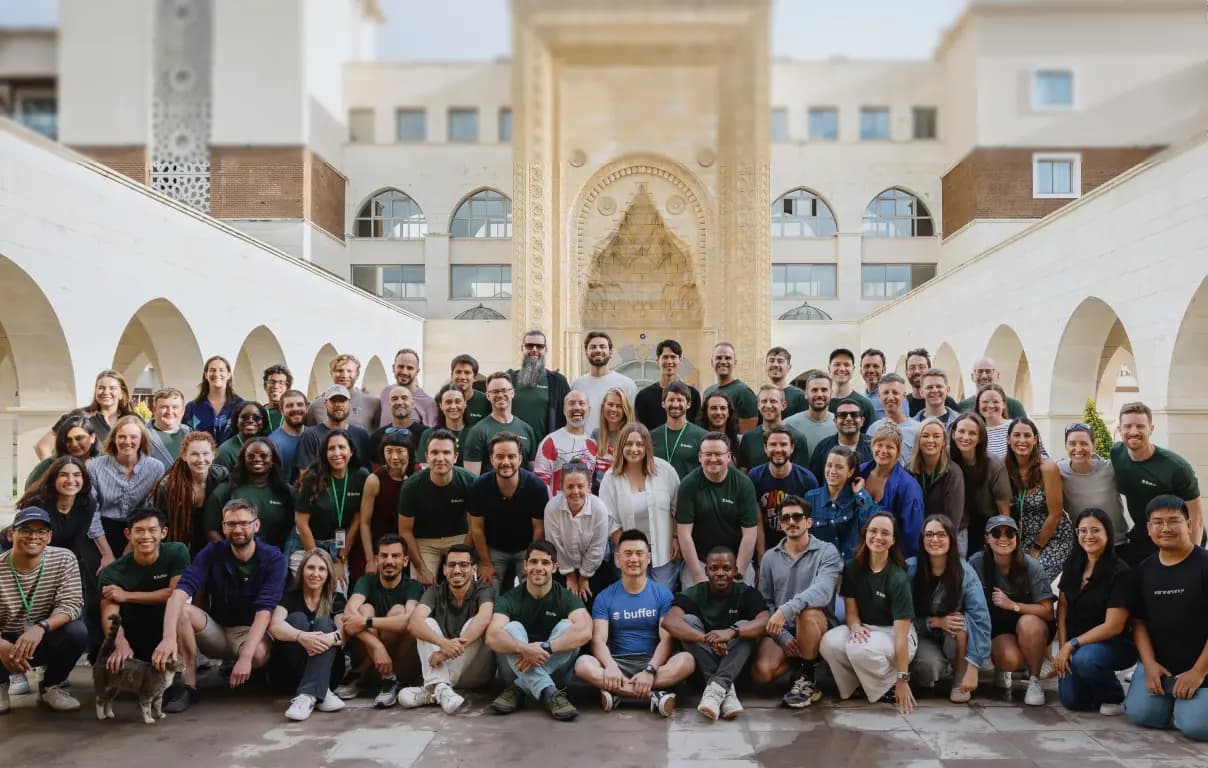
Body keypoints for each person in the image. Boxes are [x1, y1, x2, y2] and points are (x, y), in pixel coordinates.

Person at [154, 499, 287, 697]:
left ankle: (254, 669)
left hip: (249, 631)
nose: (237, 529)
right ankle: (188, 685)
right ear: (223, 527)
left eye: (244, 523)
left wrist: (246, 657)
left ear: (256, 525)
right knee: (182, 609)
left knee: (257, 655)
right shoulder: (212, 552)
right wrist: (168, 638)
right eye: (231, 524)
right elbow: (179, 593)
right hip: (217, 629)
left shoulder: (273, 558)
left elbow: (265, 610)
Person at [574, 530, 694, 716]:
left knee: (686, 661)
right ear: (617, 558)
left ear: (648, 558)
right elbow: (598, 640)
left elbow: (667, 640)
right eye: (628, 554)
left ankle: (618, 693)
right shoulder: (605, 597)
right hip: (617, 663)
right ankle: (653, 696)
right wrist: (611, 667)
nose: (633, 559)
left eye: (639, 554)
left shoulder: (663, 595)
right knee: (583, 664)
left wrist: (650, 669)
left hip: (652, 663)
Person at [1124, 495, 1208, 741]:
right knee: (1143, 716)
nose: (1166, 528)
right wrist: (1149, 664)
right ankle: (1174, 701)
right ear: (1149, 528)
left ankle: (1189, 707)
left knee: (1197, 727)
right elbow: (1138, 622)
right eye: (1158, 522)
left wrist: (1198, 672)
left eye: (1174, 521)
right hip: (1162, 667)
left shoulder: (1204, 565)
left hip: (1202, 666)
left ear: (1189, 524)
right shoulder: (1144, 570)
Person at [98, 507, 195, 713]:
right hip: (134, 630)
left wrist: (127, 595)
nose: (146, 536)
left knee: (183, 612)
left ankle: (186, 685)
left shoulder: (177, 552)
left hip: (165, 627)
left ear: (163, 533)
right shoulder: (113, 571)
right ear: (128, 534)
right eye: (139, 530)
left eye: (152, 530)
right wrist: (120, 643)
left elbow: (176, 594)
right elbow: (109, 609)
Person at [13, 457, 111, 658]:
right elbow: (31, 541)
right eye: (64, 475)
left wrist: (63, 572)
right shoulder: (38, 503)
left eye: (77, 475)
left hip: (61, 558)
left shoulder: (87, 503)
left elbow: (78, 542)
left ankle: (53, 663)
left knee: (67, 610)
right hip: (27, 554)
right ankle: (16, 666)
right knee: (23, 610)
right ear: (53, 479)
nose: (71, 480)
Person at [820, 512, 918, 714]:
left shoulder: (898, 577)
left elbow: (900, 635)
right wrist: (855, 626)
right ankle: (857, 688)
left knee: (859, 649)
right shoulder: (852, 568)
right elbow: (851, 613)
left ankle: (889, 688)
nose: (878, 537)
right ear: (865, 534)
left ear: (893, 540)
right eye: (873, 531)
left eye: (885, 533)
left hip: (897, 633)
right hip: (866, 629)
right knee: (829, 642)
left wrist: (902, 678)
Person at [486, 540, 592, 721]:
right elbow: (492, 636)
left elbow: (585, 630)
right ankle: (550, 692)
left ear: (555, 567)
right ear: (525, 566)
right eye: (533, 562)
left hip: (557, 670)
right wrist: (523, 649)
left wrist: (545, 647)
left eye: (545, 562)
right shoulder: (510, 598)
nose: (539, 567)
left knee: (568, 626)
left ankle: (518, 688)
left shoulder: (565, 596)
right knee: (511, 628)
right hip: (513, 669)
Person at [752, 495, 842, 708]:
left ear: (808, 522)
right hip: (784, 631)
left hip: (817, 625)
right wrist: (782, 637)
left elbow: (823, 592)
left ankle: (808, 678)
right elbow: (765, 602)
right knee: (762, 673)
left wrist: (786, 610)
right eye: (785, 519)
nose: (791, 522)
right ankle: (799, 666)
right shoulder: (770, 558)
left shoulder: (826, 551)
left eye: (797, 517)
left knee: (806, 612)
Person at [662, 546, 769, 720]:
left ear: (735, 570)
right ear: (706, 571)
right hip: (701, 671)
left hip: (738, 668)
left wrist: (731, 633)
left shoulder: (746, 593)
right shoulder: (694, 593)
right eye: (714, 568)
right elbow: (670, 622)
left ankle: (717, 688)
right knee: (688, 622)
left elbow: (765, 622)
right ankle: (725, 689)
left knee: (745, 626)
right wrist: (707, 639)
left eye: (726, 568)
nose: (720, 573)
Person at [0, 508, 87, 713]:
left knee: (77, 632)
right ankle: (0, 685)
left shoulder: (64, 559)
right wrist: (1, 645)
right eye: (26, 530)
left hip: (43, 635)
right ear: (11, 534)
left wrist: (40, 628)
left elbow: (72, 603)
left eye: (41, 532)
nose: (33, 536)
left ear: (49, 537)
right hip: (6, 639)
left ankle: (50, 687)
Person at [1053, 508, 1135, 715]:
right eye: (1083, 530)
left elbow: (1113, 626)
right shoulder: (1073, 564)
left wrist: (1072, 645)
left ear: (1107, 534)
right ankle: (1092, 683)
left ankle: (1113, 695)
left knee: (1086, 660)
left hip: (1113, 644)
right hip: (1075, 645)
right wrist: (1063, 645)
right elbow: (1062, 607)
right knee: (1073, 701)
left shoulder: (1121, 572)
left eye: (1095, 530)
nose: (1088, 536)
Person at [970, 515, 1055, 706]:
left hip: (1029, 624)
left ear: (1017, 538)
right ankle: (1003, 667)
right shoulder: (976, 562)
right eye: (996, 533)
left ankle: (1034, 680)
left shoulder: (1031, 566)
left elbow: (1048, 611)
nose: (1003, 538)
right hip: (998, 627)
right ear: (987, 538)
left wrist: (1013, 605)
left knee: (1029, 623)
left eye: (1010, 533)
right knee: (1009, 660)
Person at [398, 544, 495, 713]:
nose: (456, 570)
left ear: (474, 569)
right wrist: (442, 643)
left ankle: (433, 687)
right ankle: (441, 689)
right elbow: (414, 623)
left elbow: (484, 617)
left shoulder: (483, 589)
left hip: (474, 672)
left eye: (463, 565)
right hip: (443, 665)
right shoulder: (435, 591)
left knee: (474, 623)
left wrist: (444, 653)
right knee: (426, 624)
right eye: (451, 565)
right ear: (443, 569)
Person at [908, 515, 991, 703]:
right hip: (922, 633)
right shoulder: (911, 569)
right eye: (929, 535)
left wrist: (974, 666)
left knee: (959, 622)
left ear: (951, 539)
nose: (934, 540)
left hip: (955, 638)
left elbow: (980, 617)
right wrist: (934, 622)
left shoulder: (964, 571)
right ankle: (938, 667)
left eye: (940, 535)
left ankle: (960, 675)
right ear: (922, 540)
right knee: (927, 670)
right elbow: (899, 615)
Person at [1111, 401, 1203, 565]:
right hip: (1144, 533)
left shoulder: (1176, 468)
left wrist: (1192, 560)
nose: (1133, 431)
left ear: (1151, 429)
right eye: (1128, 426)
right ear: (1119, 429)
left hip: (1177, 535)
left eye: (1140, 426)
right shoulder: (1117, 453)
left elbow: (1196, 519)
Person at [339, 534, 423, 706]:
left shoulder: (413, 586)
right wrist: (377, 647)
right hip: (375, 660)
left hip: (399, 664)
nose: (389, 561)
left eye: (395, 556)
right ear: (376, 560)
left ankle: (374, 677)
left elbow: (409, 621)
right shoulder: (366, 581)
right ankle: (387, 679)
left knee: (398, 611)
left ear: (405, 561)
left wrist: (367, 622)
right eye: (384, 556)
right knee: (364, 609)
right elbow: (349, 613)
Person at [599, 423, 681, 590]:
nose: (634, 449)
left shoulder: (665, 470)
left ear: (647, 447)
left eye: (639, 444)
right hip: (629, 554)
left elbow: (677, 508)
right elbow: (609, 519)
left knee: (662, 597)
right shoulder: (611, 477)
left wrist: (675, 537)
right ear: (621, 446)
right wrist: (629, 550)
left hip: (663, 551)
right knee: (634, 595)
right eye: (628, 444)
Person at [269, 548, 347, 721]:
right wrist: (301, 637)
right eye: (310, 568)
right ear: (302, 570)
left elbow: (344, 633)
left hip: (331, 672)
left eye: (322, 569)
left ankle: (307, 695)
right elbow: (275, 625)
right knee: (296, 619)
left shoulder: (337, 598)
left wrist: (328, 638)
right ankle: (320, 692)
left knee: (325, 624)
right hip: (290, 673)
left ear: (328, 574)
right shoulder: (289, 597)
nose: (315, 574)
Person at [467, 433, 549, 594]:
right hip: (493, 549)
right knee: (486, 592)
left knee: (533, 590)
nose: (506, 462)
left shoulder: (536, 487)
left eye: (511, 456)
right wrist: (484, 562)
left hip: (526, 548)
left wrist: (530, 559)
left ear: (520, 458)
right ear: (491, 460)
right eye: (499, 456)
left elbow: (539, 529)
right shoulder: (480, 487)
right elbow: (476, 528)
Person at [676, 433, 759, 585]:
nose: (713, 459)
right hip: (700, 561)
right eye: (708, 454)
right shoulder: (688, 485)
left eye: (718, 454)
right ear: (700, 457)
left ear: (729, 457)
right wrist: (698, 575)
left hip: (736, 560)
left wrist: (738, 574)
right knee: (693, 603)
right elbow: (684, 534)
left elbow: (750, 533)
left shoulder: (743, 484)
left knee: (742, 603)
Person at [398, 429, 475, 586]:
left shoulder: (469, 481)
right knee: (420, 587)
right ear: (427, 457)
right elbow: (405, 531)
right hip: (424, 541)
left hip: (459, 537)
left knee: (466, 583)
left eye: (446, 452)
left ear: (455, 457)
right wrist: (421, 568)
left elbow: (475, 526)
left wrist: (462, 555)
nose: (440, 458)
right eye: (434, 452)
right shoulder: (411, 486)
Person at [294, 430, 370, 579]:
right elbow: (301, 523)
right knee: (313, 582)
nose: (337, 453)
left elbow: (357, 520)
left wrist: (341, 559)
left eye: (342, 447)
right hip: (308, 543)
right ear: (325, 453)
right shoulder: (313, 477)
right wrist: (317, 561)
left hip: (340, 545)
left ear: (352, 451)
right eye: (331, 448)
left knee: (338, 591)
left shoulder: (361, 476)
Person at [1006, 417, 1074, 580]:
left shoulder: (1047, 468)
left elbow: (1055, 514)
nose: (1022, 440)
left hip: (1051, 536)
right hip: (1020, 539)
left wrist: (1036, 548)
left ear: (1035, 440)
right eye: (1017, 435)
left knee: (1035, 577)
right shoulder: (1004, 467)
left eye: (1027, 435)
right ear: (1009, 440)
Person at [88, 414, 166, 556]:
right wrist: (107, 554)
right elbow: (92, 512)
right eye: (122, 436)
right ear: (114, 438)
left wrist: (129, 551)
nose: (127, 441)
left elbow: (151, 509)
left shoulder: (156, 468)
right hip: (102, 533)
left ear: (142, 440)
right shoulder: (95, 466)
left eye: (133, 437)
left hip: (140, 532)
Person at [203, 438, 296, 550]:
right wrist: (228, 556)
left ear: (273, 460)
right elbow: (210, 530)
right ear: (243, 460)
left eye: (263, 455)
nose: (257, 459)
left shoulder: (287, 492)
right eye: (251, 456)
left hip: (276, 560)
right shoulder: (225, 490)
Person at [748, 426, 818, 561]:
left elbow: (809, 523)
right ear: (765, 448)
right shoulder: (754, 477)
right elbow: (757, 521)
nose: (778, 449)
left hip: (798, 550)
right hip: (767, 547)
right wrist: (761, 558)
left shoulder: (807, 480)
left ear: (792, 448)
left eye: (783, 444)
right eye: (773, 444)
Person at [544, 462, 611, 602]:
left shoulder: (599, 509)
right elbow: (554, 545)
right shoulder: (552, 508)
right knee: (563, 602)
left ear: (589, 487)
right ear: (562, 487)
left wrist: (584, 576)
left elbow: (597, 548)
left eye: (580, 486)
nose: (575, 492)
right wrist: (569, 575)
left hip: (595, 567)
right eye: (570, 486)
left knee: (590, 600)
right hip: (562, 566)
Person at [152, 431, 229, 554]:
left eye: (205, 454)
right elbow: (160, 523)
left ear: (214, 454)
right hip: (179, 543)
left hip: (211, 541)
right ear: (184, 456)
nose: (201, 459)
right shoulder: (168, 486)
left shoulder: (221, 476)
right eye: (194, 454)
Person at [353, 431, 413, 582]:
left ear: (410, 452)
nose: (394, 457)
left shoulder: (416, 476)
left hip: (407, 545)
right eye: (389, 451)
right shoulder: (374, 480)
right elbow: (365, 523)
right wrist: (370, 559)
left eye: (400, 452)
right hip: (376, 545)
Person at [950, 412, 1012, 557]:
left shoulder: (994, 464)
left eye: (972, 433)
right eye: (961, 431)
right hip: (955, 523)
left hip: (986, 524)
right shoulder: (946, 459)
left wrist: (1003, 536)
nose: (965, 437)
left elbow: (1004, 510)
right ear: (953, 434)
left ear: (979, 438)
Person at [34, 369, 134, 459]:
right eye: (101, 388)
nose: (106, 392)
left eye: (112, 388)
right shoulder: (80, 416)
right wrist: (55, 472)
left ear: (122, 394)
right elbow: (43, 447)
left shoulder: (132, 421)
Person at [859, 424, 924, 559]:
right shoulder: (860, 472)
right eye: (879, 445)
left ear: (898, 451)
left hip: (892, 557)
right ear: (872, 446)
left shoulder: (908, 487)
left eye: (890, 447)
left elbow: (912, 535)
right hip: (859, 552)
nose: (883, 450)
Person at [1059, 423, 1128, 547]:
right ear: (1066, 446)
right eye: (1072, 444)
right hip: (1084, 545)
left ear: (1094, 446)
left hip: (1116, 544)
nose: (1078, 448)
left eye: (1084, 443)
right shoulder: (1059, 471)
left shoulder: (1110, 469)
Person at [907, 418, 968, 554]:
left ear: (944, 441)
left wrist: (939, 540)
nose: (930, 440)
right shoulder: (909, 470)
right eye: (925, 436)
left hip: (952, 533)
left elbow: (953, 518)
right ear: (918, 440)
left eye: (936, 436)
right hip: (920, 533)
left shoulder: (953, 473)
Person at [804, 445, 875, 561]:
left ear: (850, 471)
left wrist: (861, 493)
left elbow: (871, 520)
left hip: (850, 567)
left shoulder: (857, 499)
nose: (832, 471)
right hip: (819, 566)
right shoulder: (811, 497)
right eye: (829, 465)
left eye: (839, 467)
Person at [462, 372, 539, 475]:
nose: (500, 395)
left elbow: (532, 471)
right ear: (488, 396)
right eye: (495, 391)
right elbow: (471, 478)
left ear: (512, 393)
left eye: (504, 390)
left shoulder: (527, 429)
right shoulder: (477, 432)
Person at [508, 329, 572, 441]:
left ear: (545, 350)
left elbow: (567, 417)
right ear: (522, 348)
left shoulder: (558, 382)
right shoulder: (509, 379)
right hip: (512, 450)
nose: (534, 349)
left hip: (545, 451)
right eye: (529, 346)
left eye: (539, 346)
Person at [295, 385, 373, 473]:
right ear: (325, 403)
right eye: (333, 400)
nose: (338, 404)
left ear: (350, 403)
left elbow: (367, 471)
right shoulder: (310, 435)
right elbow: (305, 474)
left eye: (342, 400)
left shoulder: (361, 435)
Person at [533, 389, 598, 494]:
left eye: (581, 403)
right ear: (564, 409)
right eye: (571, 403)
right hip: (557, 509)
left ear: (589, 409)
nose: (577, 407)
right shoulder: (550, 442)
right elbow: (540, 483)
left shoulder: (593, 445)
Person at [571, 331, 638, 428]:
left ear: (610, 353)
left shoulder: (627, 385)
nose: (598, 350)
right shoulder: (576, 385)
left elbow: (633, 421)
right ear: (586, 352)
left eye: (602, 346)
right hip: (583, 442)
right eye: (593, 347)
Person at [735, 385, 809, 472]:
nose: (768, 405)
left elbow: (801, 474)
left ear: (783, 405)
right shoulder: (748, 438)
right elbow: (743, 472)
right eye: (764, 401)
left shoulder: (798, 438)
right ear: (758, 405)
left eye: (773, 401)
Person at [634, 339, 702, 429]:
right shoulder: (643, 397)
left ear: (680, 360)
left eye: (673, 357)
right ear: (658, 360)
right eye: (665, 357)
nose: (669, 362)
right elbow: (640, 431)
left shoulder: (693, 395)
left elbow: (696, 428)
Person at [306, 353, 381, 432]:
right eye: (339, 370)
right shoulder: (316, 406)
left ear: (357, 374)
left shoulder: (373, 403)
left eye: (349, 371)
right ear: (331, 373)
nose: (344, 375)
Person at [650, 380, 708, 479]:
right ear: (663, 403)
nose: (675, 405)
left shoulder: (702, 436)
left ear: (688, 404)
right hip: (659, 493)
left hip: (688, 493)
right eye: (671, 400)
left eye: (680, 400)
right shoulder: (651, 436)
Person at [25, 414, 99, 489]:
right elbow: (30, 495)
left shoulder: (104, 463)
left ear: (92, 438)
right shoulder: (48, 465)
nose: (74, 444)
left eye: (79, 438)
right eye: (68, 440)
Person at [183, 355, 245, 443]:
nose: (216, 374)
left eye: (221, 370)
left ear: (229, 375)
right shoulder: (192, 407)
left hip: (231, 456)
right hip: (201, 456)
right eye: (212, 370)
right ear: (205, 375)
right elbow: (185, 437)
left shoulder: (241, 406)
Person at [808, 398, 873, 480]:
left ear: (862, 420)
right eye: (842, 415)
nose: (848, 418)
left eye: (854, 414)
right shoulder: (822, 447)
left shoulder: (874, 446)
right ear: (835, 421)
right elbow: (815, 481)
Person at [702, 342, 758, 433]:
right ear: (712, 362)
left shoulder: (744, 393)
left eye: (728, 358)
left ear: (734, 363)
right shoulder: (708, 392)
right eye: (719, 358)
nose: (723, 362)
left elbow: (746, 434)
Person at [866, 373, 921, 462]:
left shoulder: (918, 429)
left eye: (895, 392)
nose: (890, 397)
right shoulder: (873, 430)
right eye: (886, 392)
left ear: (903, 396)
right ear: (879, 397)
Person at [785, 371, 839, 458]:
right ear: (806, 394)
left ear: (831, 393)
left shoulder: (839, 424)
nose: (819, 394)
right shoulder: (789, 424)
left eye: (824, 390)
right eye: (814, 390)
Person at [379, 348, 438, 428]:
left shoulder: (428, 403)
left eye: (410, 368)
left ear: (417, 371)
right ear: (393, 368)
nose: (404, 372)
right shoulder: (386, 392)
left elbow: (429, 436)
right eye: (401, 366)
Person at [956, 358, 1027, 419]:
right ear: (972, 377)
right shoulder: (962, 406)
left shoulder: (1014, 406)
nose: (984, 376)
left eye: (988, 371)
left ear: (998, 375)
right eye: (979, 371)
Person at [369, 385, 425, 462]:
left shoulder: (425, 434)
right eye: (394, 399)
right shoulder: (377, 437)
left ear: (413, 404)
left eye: (404, 398)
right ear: (389, 405)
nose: (399, 402)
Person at [591, 387, 635, 485]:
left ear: (625, 410)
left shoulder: (632, 436)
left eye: (619, 406)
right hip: (599, 493)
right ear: (603, 406)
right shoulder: (595, 435)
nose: (613, 409)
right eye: (610, 404)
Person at [417, 383, 467, 468]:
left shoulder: (474, 432)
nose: (453, 406)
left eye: (458, 401)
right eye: (448, 402)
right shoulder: (428, 435)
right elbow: (424, 468)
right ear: (441, 405)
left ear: (465, 403)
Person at [827, 349, 877, 429]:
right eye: (837, 364)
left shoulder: (864, 405)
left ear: (853, 369)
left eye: (846, 365)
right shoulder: (821, 403)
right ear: (829, 368)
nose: (842, 369)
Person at [214, 401, 270, 470]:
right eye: (244, 417)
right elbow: (219, 480)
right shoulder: (225, 451)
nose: (250, 420)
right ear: (236, 422)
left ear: (263, 423)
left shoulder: (270, 446)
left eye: (256, 417)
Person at [267, 389, 308, 483]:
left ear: (306, 408)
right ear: (281, 410)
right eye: (289, 406)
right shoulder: (273, 443)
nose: (295, 409)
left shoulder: (315, 436)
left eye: (300, 404)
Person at [903, 349, 960, 417]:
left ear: (929, 369)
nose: (917, 371)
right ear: (906, 373)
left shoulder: (947, 403)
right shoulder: (903, 404)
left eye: (921, 367)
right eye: (912, 368)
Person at [146, 387, 191, 469]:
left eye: (175, 407)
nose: (170, 412)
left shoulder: (190, 434)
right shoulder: (142, 436)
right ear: (154, 410)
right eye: (164, 407)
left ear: (183, 410)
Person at [450, 353, 491, 428]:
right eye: (458, 372)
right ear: (452, 375)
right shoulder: (442, 400)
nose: (462, 377)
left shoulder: (486, 402)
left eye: (467, 372)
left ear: (475, 377)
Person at [765, 346, 807, 417]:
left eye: (780, 361)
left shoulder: (799, 396)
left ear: (789, 367)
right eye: (771, 360)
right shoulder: (761, 396)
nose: (775, 364)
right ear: (766, 366)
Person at [696, 391, 741, 456]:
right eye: (713, 408)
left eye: (723, 408)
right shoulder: (696, 440)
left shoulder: (738, 442)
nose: (718, 412)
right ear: (706, 412)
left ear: (729, 413)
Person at [977, 384, 1013, 457]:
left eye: (995, 402)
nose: (990, 406)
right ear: (978, 405)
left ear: (1004, 404)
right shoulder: (975, 431)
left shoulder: (1015, 427)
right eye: (985, 402)